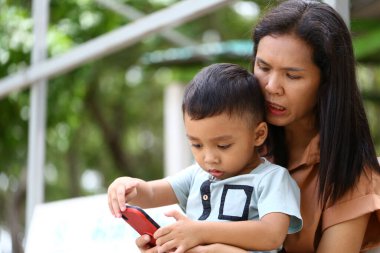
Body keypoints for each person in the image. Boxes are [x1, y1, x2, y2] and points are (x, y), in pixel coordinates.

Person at [134, 0, 380, 252]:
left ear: (327, 82)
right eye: (263, 67)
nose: (272, 86)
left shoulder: (352, 174)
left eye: (292, 75)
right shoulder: (239, 147)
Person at [108, 63, 303, 253]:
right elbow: (150, 193)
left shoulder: (272, 179)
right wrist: (127, 187)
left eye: (223, 145)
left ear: (258, 135)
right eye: (197, 145)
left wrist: (199, 232)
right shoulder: (197, 175)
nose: (209, 158)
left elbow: (271, 234)